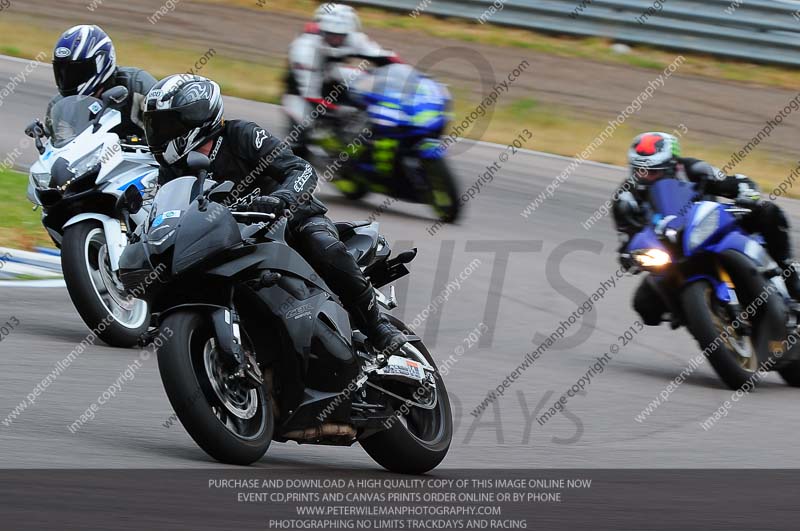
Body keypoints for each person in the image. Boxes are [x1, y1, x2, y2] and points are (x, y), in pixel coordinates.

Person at [142, 74, 407, 354]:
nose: (159, 134)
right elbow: (170, 215)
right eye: (155, 126)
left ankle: (378, 327)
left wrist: (282, 198)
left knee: (321, 244)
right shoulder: (172, 170)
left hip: (291, 221)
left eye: (166, 124)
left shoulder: (240, 134)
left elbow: (301, 169)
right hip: (233, 240)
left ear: (194, 118)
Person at [612, 131, 800, 325]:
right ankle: (699, 318)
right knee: (644, 306)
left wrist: (746, 193)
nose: (647, 177)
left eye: (654, 172)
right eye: (640, 171)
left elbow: (735, 183)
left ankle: (789, 275)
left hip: (713, 229)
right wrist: (629, 257)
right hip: (670, 254)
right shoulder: (625, 200)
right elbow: (627, 240)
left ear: (671, 166)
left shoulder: (693, 169)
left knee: (768, 212)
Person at [284, 3, 400, 156]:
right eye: (330, 34)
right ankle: (295, 165)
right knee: (301, 130)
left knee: (366, 86)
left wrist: (408, 72)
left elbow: (383, 56)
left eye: (341, 35)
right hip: (300, 90)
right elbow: (310, 94)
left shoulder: (354, 38)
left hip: (330, 72)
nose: (335, 39)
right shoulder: (304, 49)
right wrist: (338, 111)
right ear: (321, 30)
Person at [47, 24, 157, 139]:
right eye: (62, 72)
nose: (68, 78)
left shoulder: (138, 85)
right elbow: (62, 149)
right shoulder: (59, 106)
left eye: (76, 72)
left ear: (101, 63)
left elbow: (168, 130)